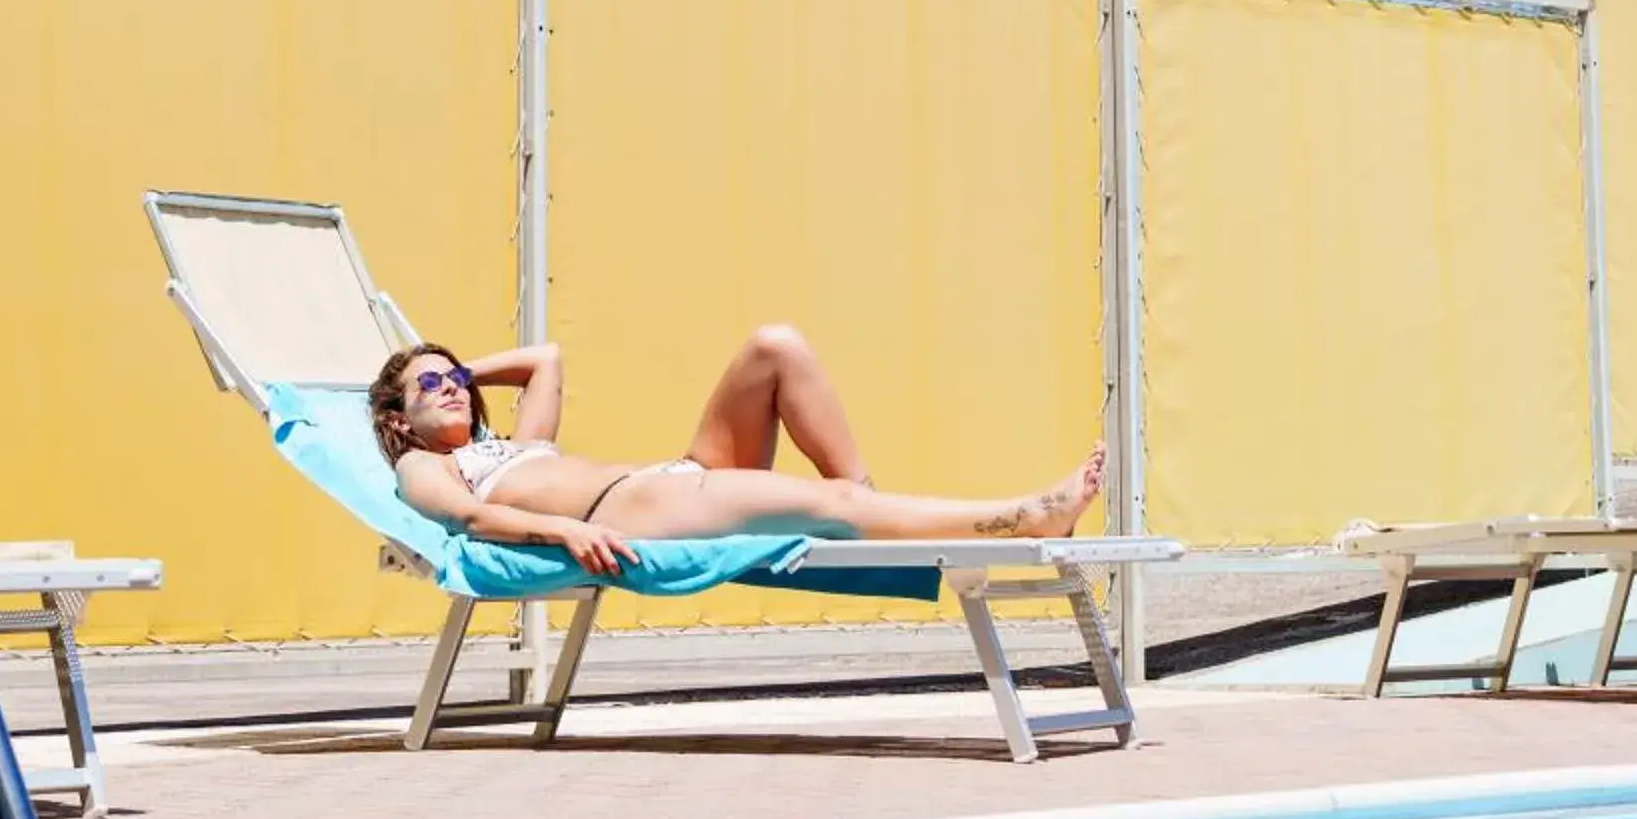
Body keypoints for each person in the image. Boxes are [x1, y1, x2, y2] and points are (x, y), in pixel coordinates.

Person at [370, 326, 1103, 577]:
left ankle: (863, 507)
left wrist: (461, 368)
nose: (452, 387)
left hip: (674, 477)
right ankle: (1028, 517)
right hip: (631, 510)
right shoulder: (426, 467)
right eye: (429, 386)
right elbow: (467, 521)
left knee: (774, 347)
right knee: (834, 504)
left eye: (454, 377)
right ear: (400, 422)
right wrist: (563, 530)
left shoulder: (514, 444)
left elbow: (546, 359)